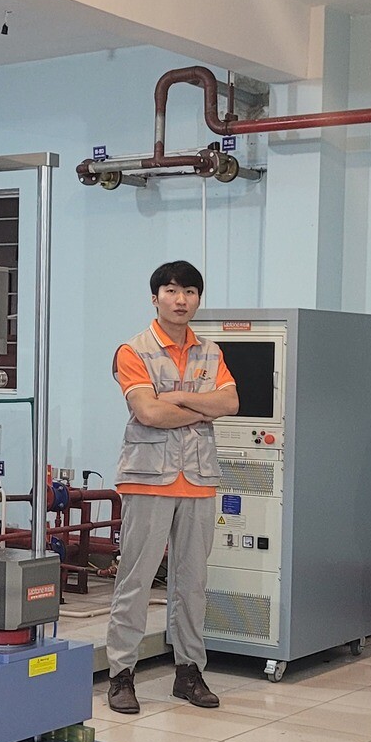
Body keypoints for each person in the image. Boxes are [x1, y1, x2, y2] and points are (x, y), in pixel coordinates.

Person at [105, 260, 238, 714]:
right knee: (136, 580)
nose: (181, 300)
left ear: (198, 298)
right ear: (155, 297)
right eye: (171, 290)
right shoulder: (133, 350)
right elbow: (148, 413)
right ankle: (121, 674)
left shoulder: (210, 351)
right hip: (148, 478)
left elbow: (231, 402)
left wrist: (177, 398)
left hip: (198, 479)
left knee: (192, 584)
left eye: (190, 292)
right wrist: (202, 409)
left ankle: (189, 672)